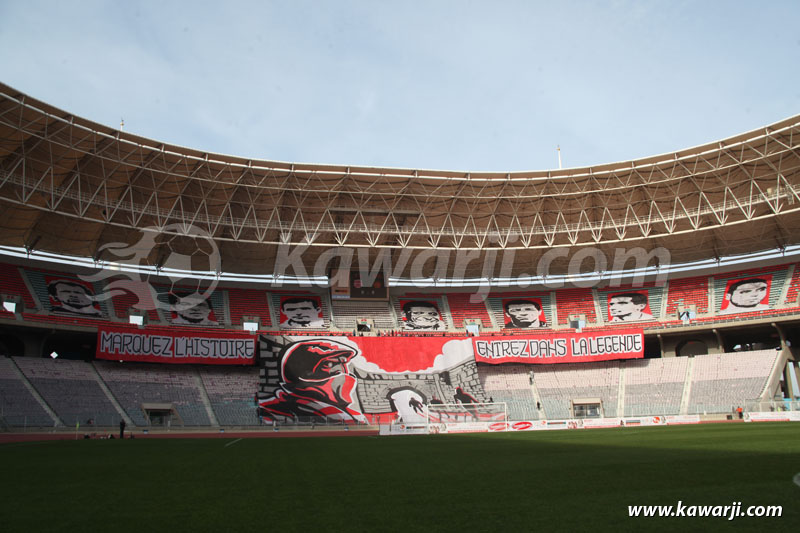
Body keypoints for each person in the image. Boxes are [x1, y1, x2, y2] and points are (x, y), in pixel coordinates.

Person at [258, 339, 366, 424]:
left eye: (343, 364)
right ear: (304, 372)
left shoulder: (351, 414)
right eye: (329, 364)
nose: (341, 371)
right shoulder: (274, 412)